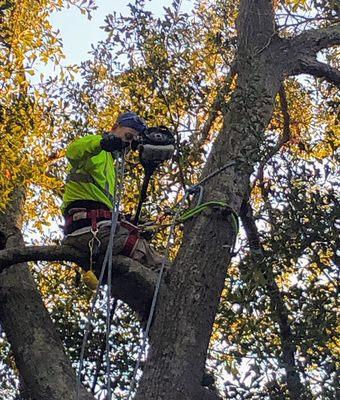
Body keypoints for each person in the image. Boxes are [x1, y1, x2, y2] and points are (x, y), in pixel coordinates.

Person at [61, 112, 164, 285]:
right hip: (89, 230)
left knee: (128, 281)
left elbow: (99, 203)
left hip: (96, 229)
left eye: (132, 142)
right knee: (152, 258)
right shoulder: (95, 149)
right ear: (115, 128)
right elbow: (73, 151)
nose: (127, 144)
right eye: (127, 136)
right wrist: (102, 142)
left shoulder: (110, 165)